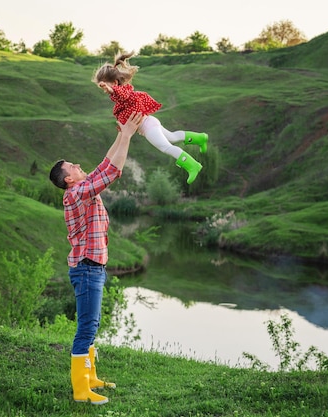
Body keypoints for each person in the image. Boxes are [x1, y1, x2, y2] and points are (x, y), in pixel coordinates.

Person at [49, 111, 145, 405]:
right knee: (87, 326)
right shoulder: (76, 194)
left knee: (93, 322)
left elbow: (105, 163)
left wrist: (121, 133)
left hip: (93, 267)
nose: (79, 165)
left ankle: (90, 378)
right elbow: (113, 172)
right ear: (68, 179)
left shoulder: (81, 187)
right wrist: (127, 136)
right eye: (73, 166)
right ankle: (81, 391)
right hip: (87, 268)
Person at [92, 52, 208, 184]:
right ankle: (200, 138)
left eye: (105, 86)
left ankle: (193, 165)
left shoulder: (123, 92)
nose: (105, 90)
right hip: (150, 121)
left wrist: (110, 89)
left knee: (166, 147)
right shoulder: (121, 97)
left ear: (114, 82)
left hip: (148, 127)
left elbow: (120, 94)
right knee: (173, 137)